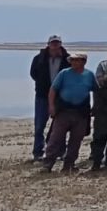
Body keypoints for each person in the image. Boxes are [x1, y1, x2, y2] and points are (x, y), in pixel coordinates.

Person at [42, 52, 96, 173]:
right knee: (55, 138)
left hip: (81, 113)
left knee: (76, 140)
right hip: (63, 111)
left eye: (77, 60)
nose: (74, 62)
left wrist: (95, 106)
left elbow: (96, 90)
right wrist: (51, 106)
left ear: (84, 62)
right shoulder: (64, 73)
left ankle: (69, 165)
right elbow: (53, 90)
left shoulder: (89, 75)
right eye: (72, 60)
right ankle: (48, 164)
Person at [28, 34, 69, 162]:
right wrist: (42, 85)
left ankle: (60, 151)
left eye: (57, 43)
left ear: (60, 44)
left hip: (60, 97)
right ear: (48, 44)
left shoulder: (67, 59)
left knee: (60, 125)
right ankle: (38, 152)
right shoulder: (39, 58)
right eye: (53, 43)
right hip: (42, 96)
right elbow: (33, 73)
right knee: (39, 125)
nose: (55, 45)